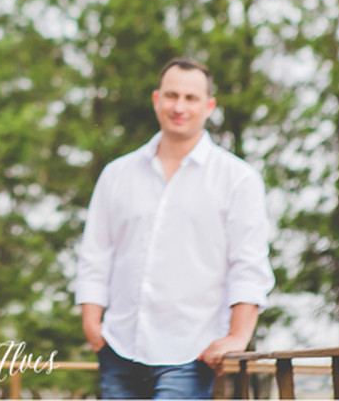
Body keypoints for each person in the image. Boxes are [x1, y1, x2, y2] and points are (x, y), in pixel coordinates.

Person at [74, 57, 274, 400]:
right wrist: (93, 326)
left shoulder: (238, 179)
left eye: (191, 98)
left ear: (208, 106)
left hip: (190, 353)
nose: (179, 106)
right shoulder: (117, 174)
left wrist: (238, 337)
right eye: (171, 95)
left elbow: (248, 264)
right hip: (119, 347)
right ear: (156, 100)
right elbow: (96, 253)